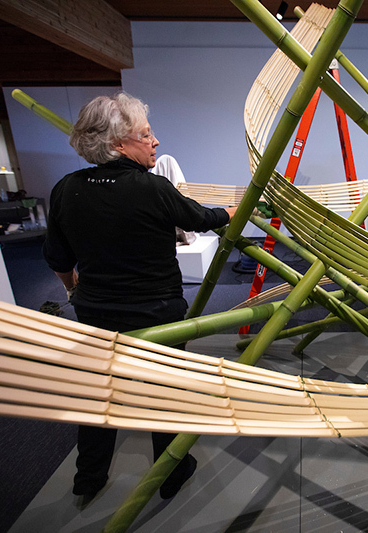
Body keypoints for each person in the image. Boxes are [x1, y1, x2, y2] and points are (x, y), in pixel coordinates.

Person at [42, 92, 238, 503]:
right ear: (118, 144)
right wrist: (234, 213)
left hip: (96, 311)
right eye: (146, 134)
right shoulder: (154, 189)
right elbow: (200, 218)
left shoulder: (65, 189)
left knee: (100, 392)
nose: (156, 142)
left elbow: (58, 258)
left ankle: (88, 478)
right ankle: (171, 473)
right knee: (161, 392)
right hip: (158, 313)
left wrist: (73, 290)